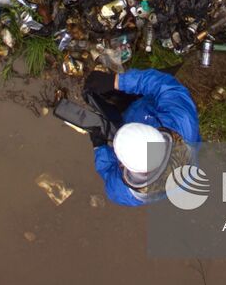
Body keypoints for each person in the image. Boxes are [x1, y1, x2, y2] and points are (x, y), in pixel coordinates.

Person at [83, 69, 200, 207]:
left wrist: (100, 147)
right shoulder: (181, 121)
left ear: (123, 164)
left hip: (134, 112)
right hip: (146, 104)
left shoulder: (123, 192)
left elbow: (108, 170)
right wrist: (117, 81)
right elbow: (163, 85)